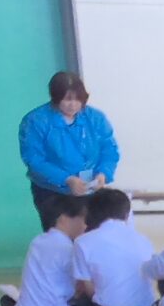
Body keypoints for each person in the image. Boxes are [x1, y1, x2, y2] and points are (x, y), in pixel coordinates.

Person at [17, 71, 118, 231]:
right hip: (52, 192)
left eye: (78, 100)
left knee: (90, 234)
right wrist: (66, 179)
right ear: (55, 98)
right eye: (67, 99)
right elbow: (34, 159)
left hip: (89, 189)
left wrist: (103, 173)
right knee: (60, 237)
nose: (73, 105)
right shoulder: (35, 121)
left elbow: (109, 149)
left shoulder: (95, 117)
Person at [70, 189, 164, 306]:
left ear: (92, 212)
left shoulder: (83, 242)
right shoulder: (143, 240)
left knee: (79, 301)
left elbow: (86, 288)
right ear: (127, 214)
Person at [0, 195, 88, 306]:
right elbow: (78, 290)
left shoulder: (37, 242)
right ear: (64, 218)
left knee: (8, 299)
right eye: (83, 219)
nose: (85, 225)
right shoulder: (69, 248)